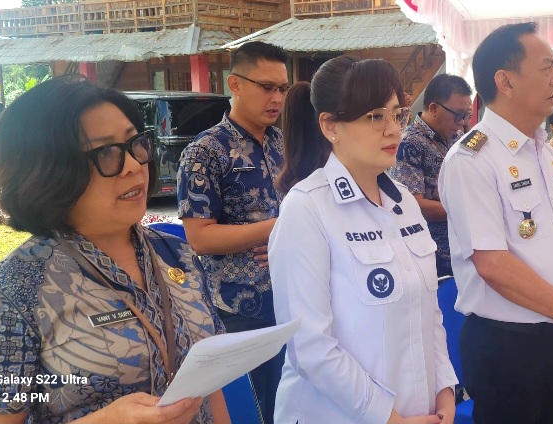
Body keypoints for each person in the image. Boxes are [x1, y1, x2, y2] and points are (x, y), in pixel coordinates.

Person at [0, 76, 228, 424]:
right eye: (105, 152)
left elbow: (209, 382)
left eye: (135, 144)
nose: (133, 165)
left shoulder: (177, 253)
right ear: (46, 171)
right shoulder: (14, 290)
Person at [270, 56, 457, 424]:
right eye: (375, 117)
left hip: (419, 412)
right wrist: (388, 418)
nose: (393, 130)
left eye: (397, 115)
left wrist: (444, 391)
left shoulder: (404, 202)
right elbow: (311, 348)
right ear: (330, 126)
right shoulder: (307, 208)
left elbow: (428, 314)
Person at [438, 22, 553, 424]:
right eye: (546, 67)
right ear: (505, 81)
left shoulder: (544, 152)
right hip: (510, 346)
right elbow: (492, 264)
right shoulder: (471, 160)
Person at [177, 41, 288, 424]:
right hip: (239, 307)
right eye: (267, 87)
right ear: (235, 84)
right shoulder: (205, 152)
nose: (277, 98)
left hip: (291, 295)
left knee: (292, 399)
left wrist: (286, 241)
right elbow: (200, 238)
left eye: (282, 89)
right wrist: (276, 229)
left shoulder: (281, 143)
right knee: (259, 408)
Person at [389, 74, 472, 277]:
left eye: (467, 115)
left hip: (464, 244)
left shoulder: (457, 138)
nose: (462, 122)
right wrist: (467, 209)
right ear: (434, 109)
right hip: (433, 253)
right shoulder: (409, 143)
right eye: (458, 115)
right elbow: (411, 204)